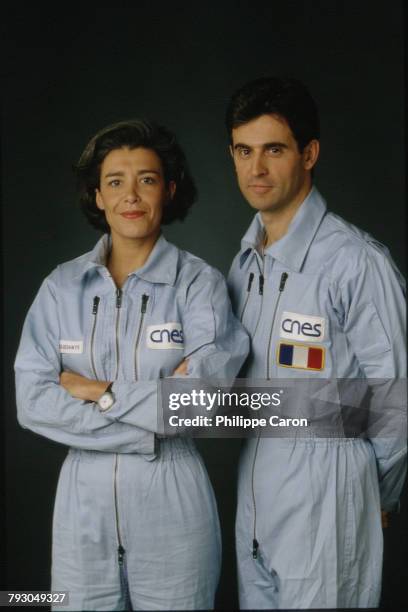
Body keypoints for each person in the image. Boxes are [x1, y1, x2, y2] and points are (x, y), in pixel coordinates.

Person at [15, 119, 249, 611]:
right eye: (115, 182)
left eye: (146, 179)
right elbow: (33, 401)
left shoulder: (198, 285)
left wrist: (96, 389)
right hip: (81, 501)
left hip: (173, 496)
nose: (131, 195)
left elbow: (198, 404)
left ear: (168, 188)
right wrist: (148, 428)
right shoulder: (61, 287)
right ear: (97, 196)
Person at [226, 77, 406, 609]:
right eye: (243, 151)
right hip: (255, 494)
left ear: (309, 154)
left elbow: (397, 401)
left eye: (273, 150)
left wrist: (378, 492)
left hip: (330, 491)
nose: (256, 169)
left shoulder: (355, 262)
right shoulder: (242, 266)